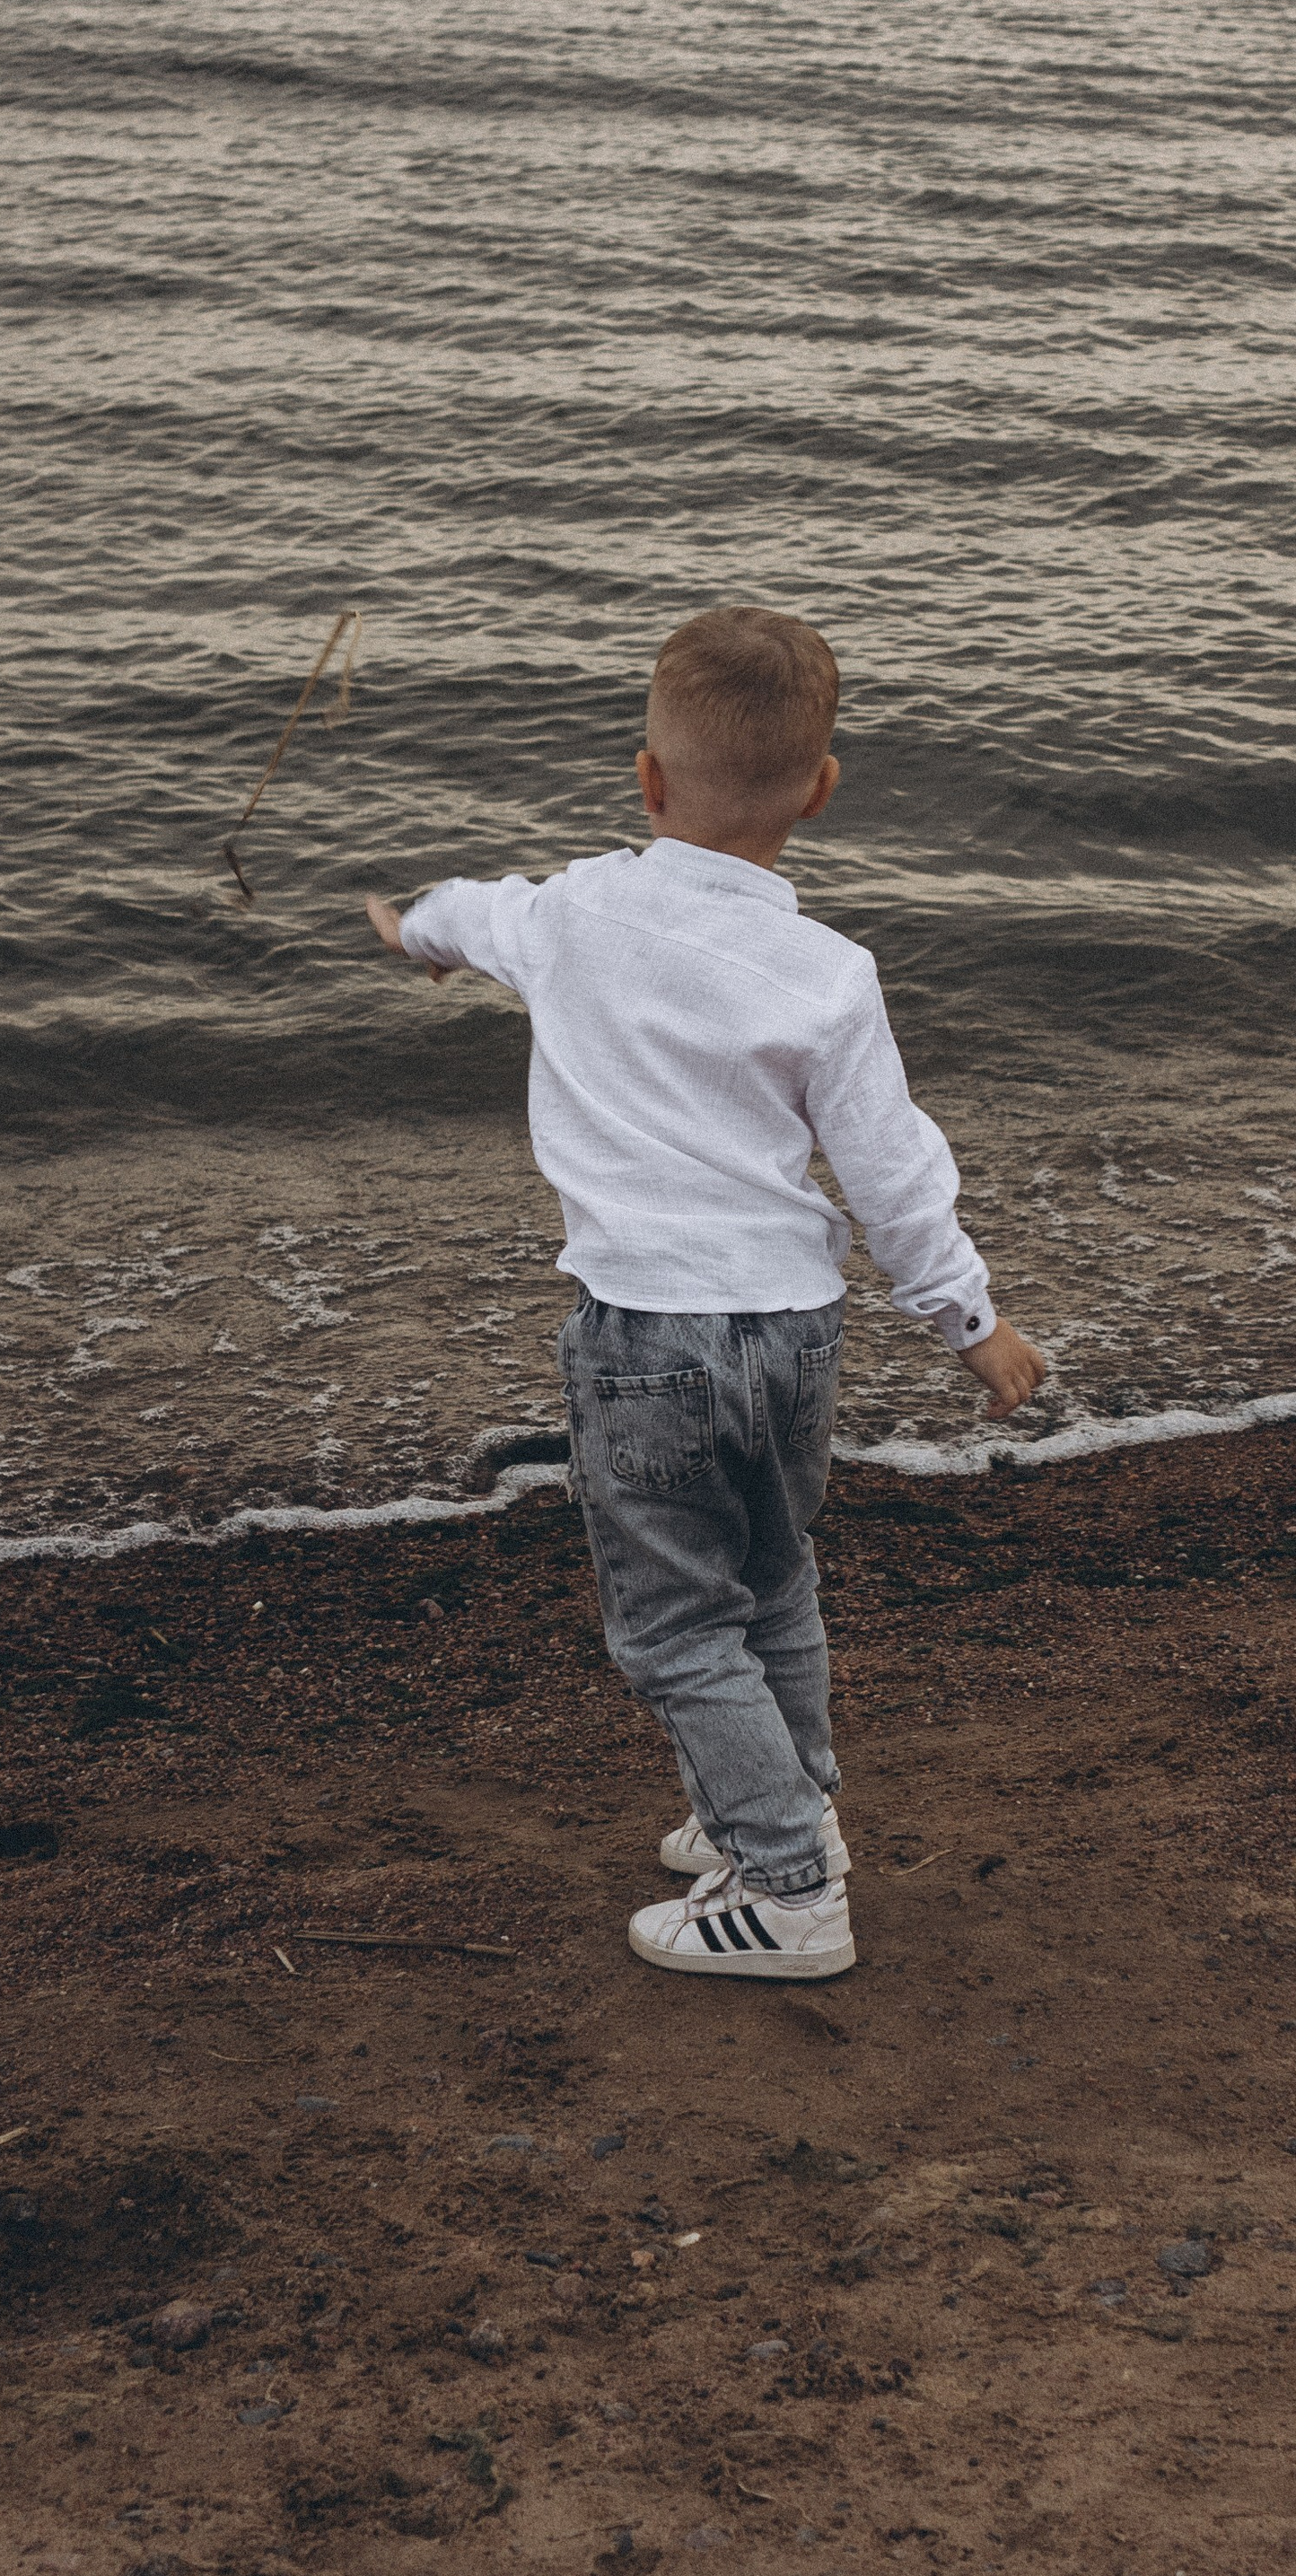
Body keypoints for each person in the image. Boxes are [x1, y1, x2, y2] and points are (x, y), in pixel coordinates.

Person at [363, 607, 1046, 1983]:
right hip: (793, 1333)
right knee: (773, 1580)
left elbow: (457, 912)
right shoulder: (829, 974)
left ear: (648, 779)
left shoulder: (563, 915)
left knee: (675, 1623)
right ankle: (790, 1812)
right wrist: (971, 1318)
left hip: (647, 1342)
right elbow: (892, 1171)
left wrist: (410, 934)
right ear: (821, 790)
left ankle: (788, 1888)